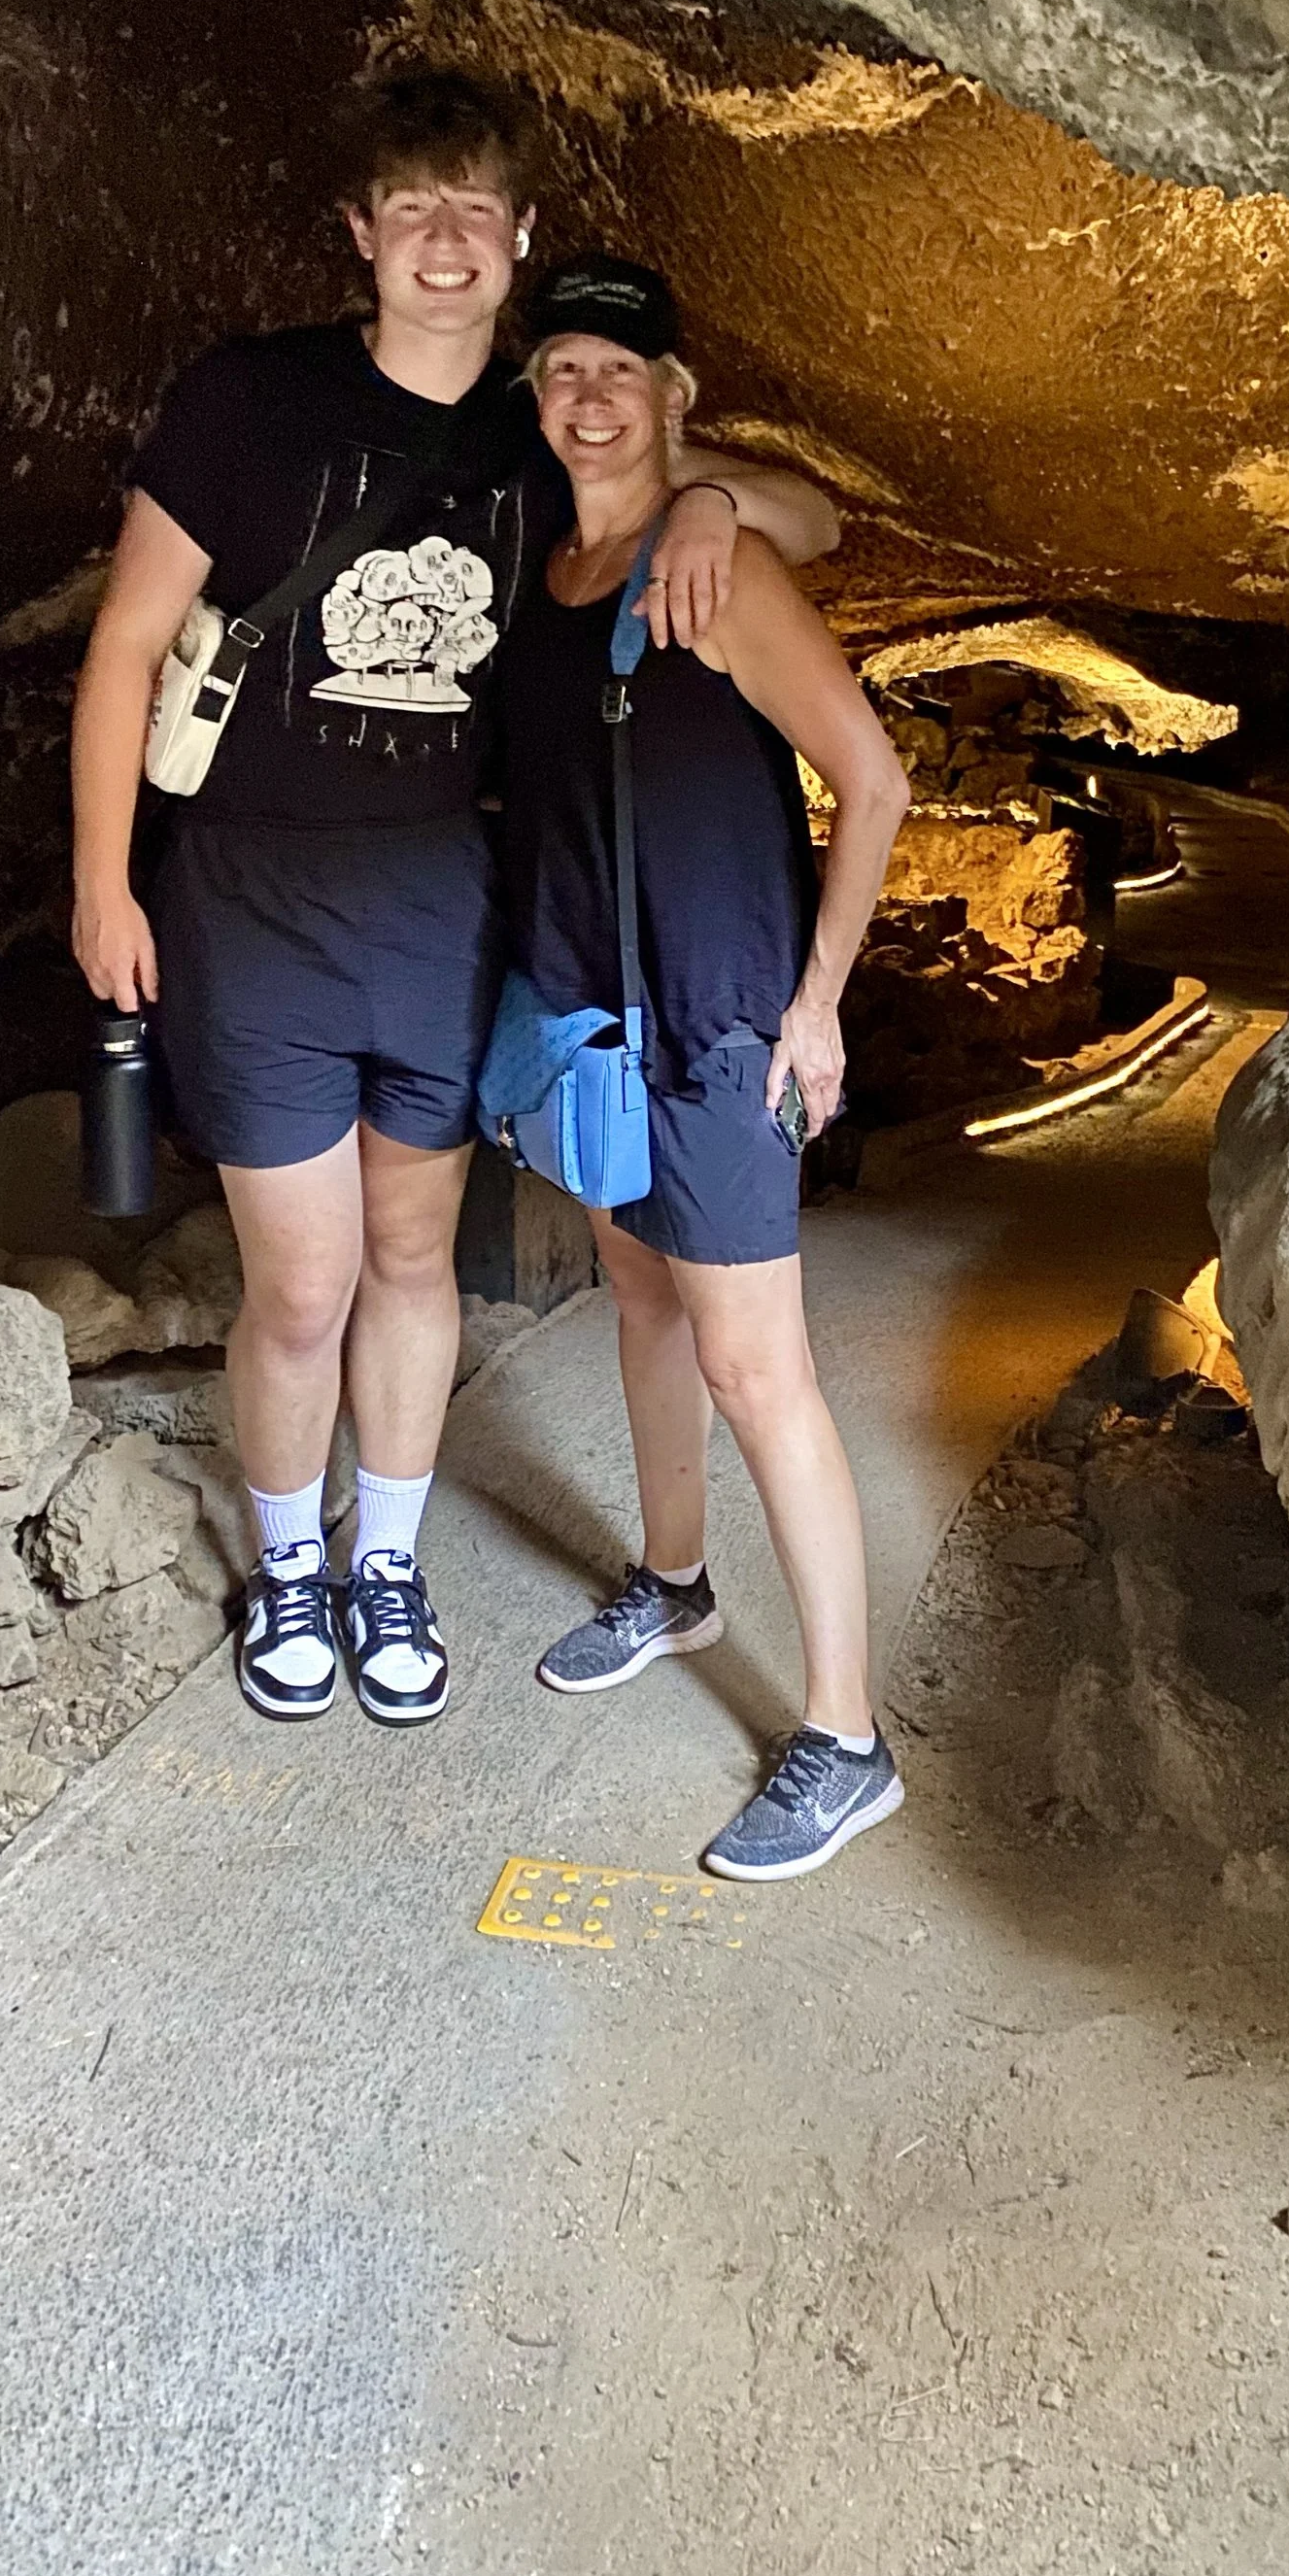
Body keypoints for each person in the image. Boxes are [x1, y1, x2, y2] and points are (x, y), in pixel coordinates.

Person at [68, 76, 838, 1731]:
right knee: (301, 1283)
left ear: (520, 237)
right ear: (359, 233)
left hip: (440, 913)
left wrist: (711, 500)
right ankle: (292, 1567)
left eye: (474, 209)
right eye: (409, 208)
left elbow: (813, 514)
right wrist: (102, 884)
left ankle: (389, 1562)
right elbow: (127, 644)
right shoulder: (252, 401)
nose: (442, 240)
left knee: (414, 1259)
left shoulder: (541, 429)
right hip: (252, 906)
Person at [498, 254, 912, 1880]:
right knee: (643, 1298)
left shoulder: (718, 568)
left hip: (723, 1018)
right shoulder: (546, 571)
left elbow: (871, 778)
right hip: (596, 1020)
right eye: (562, 371)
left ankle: (846, 1739)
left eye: (622, 371)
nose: (589, 398)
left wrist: (820, 1004)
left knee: (758, 1369)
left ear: (675, 397)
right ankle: (674, 1585)